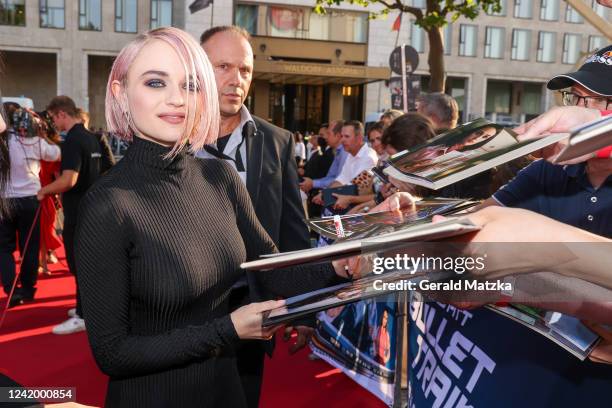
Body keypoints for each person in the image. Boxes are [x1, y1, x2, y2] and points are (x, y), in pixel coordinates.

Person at [74, 27, 351, 408]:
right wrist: (229, 329)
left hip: (227, 390)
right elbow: (113, 353)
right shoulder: (108, 205)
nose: (175, 99)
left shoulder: (219, 177)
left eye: (189, 85)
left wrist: (346, 262)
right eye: (156, 82)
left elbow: (273, 268)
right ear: (121, 93)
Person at [198, 25, 322, 407]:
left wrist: (305, 310)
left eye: (245, 70)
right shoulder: (168, 139)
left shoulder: (277, 141)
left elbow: (292, 229)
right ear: (197, 69)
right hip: (183, 310)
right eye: (223, 66)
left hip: (250, 303)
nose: (236, 80)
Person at [38, 95, 104, 335]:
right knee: (86, 262)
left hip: (79, 213)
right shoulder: (91, 137)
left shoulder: (74, 140)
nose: (55, 125)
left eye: (54, 119)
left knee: (79, 263)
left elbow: (68, 179)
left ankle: (84, 314)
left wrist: (43, 191)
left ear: (61, 114)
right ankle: (84, 308)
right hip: (94, 209)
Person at [0, 108, 60, 307]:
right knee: (29, 246)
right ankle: (27, 288)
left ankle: (11, 289)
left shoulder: (3, 142)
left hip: (4, 200)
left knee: (4, 248)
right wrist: (43, 135)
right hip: (29, 199)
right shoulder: (35, 142)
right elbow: (57, 154)